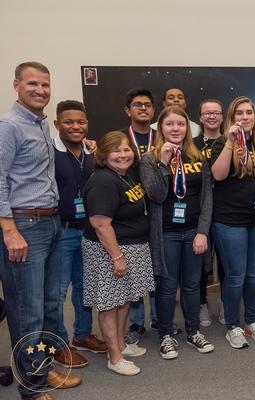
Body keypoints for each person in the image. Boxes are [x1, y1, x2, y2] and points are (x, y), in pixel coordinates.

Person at [0, 61, 81, 399]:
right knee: (27, 311)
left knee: (49, 305)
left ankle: (43, 371)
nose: (40, 90)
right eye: (33, 84)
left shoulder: (41, 124)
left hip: (50, 223)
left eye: (45, 85)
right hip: (24, 225)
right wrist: (8, 230)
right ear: (17, 84)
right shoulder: (9, 126)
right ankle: (31, 388)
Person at [140, 106, 214, 359]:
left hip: (194, 231)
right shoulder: (150, 159)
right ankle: (166, 335)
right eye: (170, 124)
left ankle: (193, 331)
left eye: (180, 124)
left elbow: (207, 198)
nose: (175, 129)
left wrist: (203, 232)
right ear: (160, 128)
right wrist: (163, 163)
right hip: (166, 234)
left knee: (193, 286)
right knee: (167, 286)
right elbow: (156, 195)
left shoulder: (197, 157)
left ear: (188, 128)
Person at [82, 131, 155, 376]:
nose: (123, 154)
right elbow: (101, 224)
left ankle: (122, 344)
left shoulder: (125, 175)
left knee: (124, 300)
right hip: (111, 250)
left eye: (126, 149)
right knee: (110, 304)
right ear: (103, 154)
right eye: (116, 150)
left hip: (131, 247)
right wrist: (116, 256)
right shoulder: (103, 180)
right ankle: (114, 356)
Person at [210, 96, 255, 349]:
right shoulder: (222, 142)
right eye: (239, 113)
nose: (245, 117)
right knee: (235, 276)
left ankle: (252, 321)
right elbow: (218, 174)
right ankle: (232, 325)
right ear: (231, 118)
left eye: (249, 113)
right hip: (229, 221)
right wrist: (230, 143)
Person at [52, 100, 107, 370]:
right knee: (58, 291)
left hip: (87, 230)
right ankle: (59, 344)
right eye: (69, 122)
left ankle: (83, 335)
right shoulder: (49, 150)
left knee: (85, 289)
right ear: (57, 124)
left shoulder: (91, 151)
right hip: (61, 231)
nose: (76, 126)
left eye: (81, 122)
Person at [120, 87, 158, 343]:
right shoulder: (120, 139)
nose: (143, 108)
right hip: (131, 210)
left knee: (156, 268)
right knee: (133, 271)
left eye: (147, 105)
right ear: (128, 110)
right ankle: (136, 322)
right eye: (137, 105)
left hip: (159, 208)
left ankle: (158, 317)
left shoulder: (163, 136)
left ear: (153, 110)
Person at [193, 98, 224, 327]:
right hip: (200, 212)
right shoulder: (191, 145)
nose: (212, 116)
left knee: (226, 262)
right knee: (201, 263)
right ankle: (201, 304)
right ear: (201, 117)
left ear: (222, 117)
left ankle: (225, 303)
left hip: (225, 211)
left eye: (216, 112)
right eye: (207, 113)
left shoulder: (232, 141)